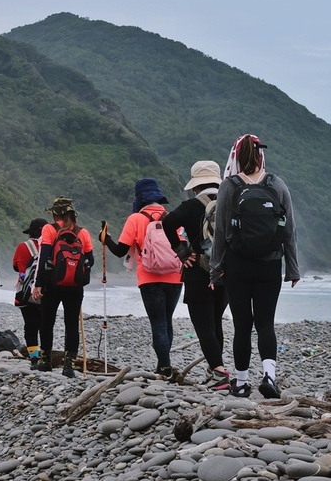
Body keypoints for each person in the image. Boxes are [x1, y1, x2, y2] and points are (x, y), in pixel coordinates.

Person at [209, 135, 300, 399]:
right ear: (261, 155)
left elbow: (220, 232)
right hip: (270, 264)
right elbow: (289, 231)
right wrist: (292, 269)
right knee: (265, 323)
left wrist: (216, 270)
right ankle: (269, 377)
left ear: (236, 156)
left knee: (242, 325)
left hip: (237, 264)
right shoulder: (276, 183)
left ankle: (240, 382)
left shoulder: (229, 186)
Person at [102, 178, 183, 377]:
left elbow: (121, 251)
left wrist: (106, 239)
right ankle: (163, 364)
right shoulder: (173, 217)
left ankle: (164, 366)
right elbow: (182, 247)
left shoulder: (136, 219)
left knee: (158, 323)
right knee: (167, 321)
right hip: (175, 277)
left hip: (149, 278)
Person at [162, 160, 232, 390]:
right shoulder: (230, 203)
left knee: (203, 326)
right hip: (224, 273)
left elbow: (167, 222)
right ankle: (216, 370)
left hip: (198, 273)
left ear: (195, 186)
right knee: (215, 323)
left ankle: (219, 373)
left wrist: (181, 250)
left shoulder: (191, 205)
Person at [32, 198, 95, 377]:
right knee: (71, 324)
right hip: (75, 286)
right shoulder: (83, 233)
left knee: (47, 321)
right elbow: (91, 260)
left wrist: (38, 284)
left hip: (52, 284)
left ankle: (45, 361)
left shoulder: (49, 229)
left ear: (55, 214)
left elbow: (43, 258)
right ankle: (69, 365)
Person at [13, 217, 48, 367]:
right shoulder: (50, 246)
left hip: (26, 294)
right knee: (45, 325)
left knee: (30, 325)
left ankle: (34, 357)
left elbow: (16, 266)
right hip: (45, 292)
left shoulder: (23, 247)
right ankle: (46, 357)